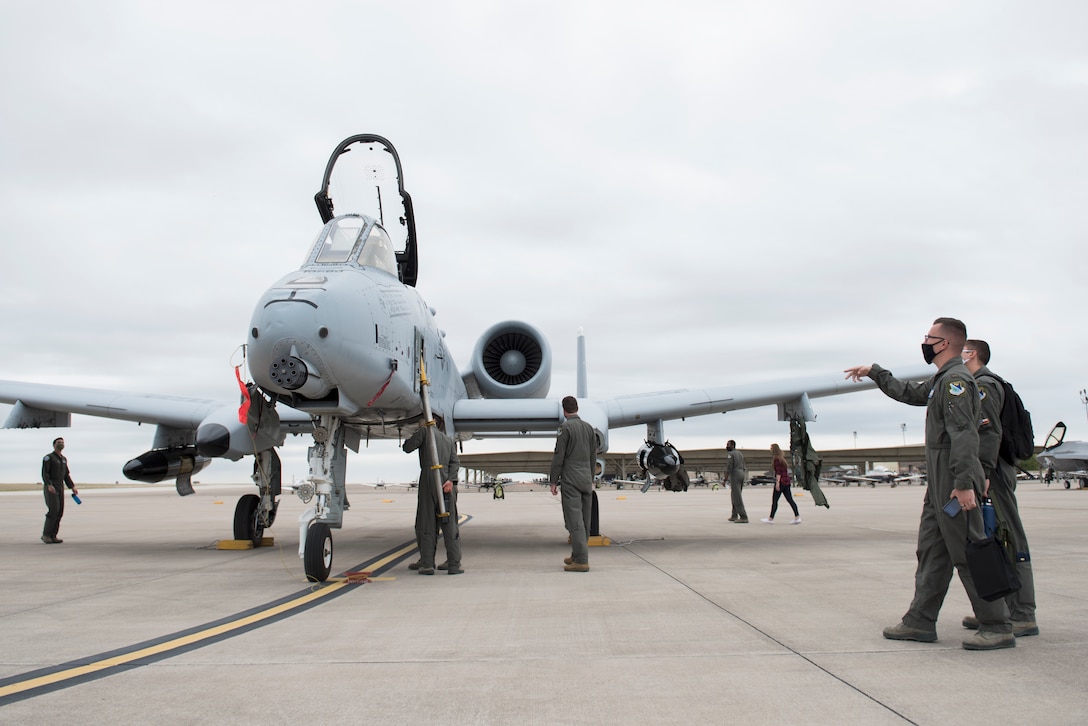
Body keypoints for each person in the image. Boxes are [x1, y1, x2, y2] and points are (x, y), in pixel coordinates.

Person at [845, 317, 1015, 650]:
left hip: (954, 479)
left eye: (929, 337)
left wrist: (966, 481)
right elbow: (910, 393)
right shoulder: (941, 379)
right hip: (940, 482)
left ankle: (996, 624)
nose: (925, 341)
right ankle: (920, 620)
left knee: (970, 549)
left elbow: (965, 433)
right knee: (933, 551)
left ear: (945, 343)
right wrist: (875, 371)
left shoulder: (957, 382)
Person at [961, 339, 1038, 636]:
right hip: (988, 469)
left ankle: (1022, 613)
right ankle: (1003, 608)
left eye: (963, 351)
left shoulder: (985, 385)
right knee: (993, 536)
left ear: (974, 354)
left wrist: (985, 471)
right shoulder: (977, 383)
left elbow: (988, 432)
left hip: (992, 470)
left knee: (1009, 536)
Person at [403, 415, 463, 575]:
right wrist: (451, 480)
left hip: (429, 478)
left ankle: (427, 563)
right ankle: (454, 563)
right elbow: (455, 462)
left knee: (426, 522)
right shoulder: (448, 440)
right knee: (449, 524)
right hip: (447, 482)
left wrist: (417, 432)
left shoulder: (424, 433)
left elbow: (407, 447)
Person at [550, 396, 596, 572]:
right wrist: (591, 477)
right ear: (577, 408)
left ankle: (582, 560)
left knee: (574, 520)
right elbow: (593, 455)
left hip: (571, 478)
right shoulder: (589, 428)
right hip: (586, 478)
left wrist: (554, 480)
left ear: (564, 410)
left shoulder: (565, 428)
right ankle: (576, 555)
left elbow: (559, 456)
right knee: (585, 519)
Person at [41, 437, 78, 544]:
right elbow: (45, 473)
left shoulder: (63, 459)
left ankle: (53, 536)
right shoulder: (48, 458)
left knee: (60, 511)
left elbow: (66, 475)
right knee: (53, 510)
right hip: (51, 487)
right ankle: (46, 535)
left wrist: (72, 486)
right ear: (54, 445)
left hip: (60, 487)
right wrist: (49, 485)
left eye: (62, 442)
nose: (61, 444)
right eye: (59, 442)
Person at [761, 443, 801, 524]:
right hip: (787, 482)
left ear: (774, 449)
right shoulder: (782, 458)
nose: (770, 449)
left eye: (771, 448)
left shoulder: (776, 459)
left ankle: (770, 519)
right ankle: (797, 517)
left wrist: (777, 483)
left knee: (775, 501)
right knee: (790, 500)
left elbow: (778, 472)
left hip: (781, 482)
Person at [724, 440, 748, 523]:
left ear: (733, 445)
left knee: (737, 496)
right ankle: (734, 515)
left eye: (728, 445)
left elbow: (729, 467)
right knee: (735, 494)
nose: (726, 446)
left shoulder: (731, 454)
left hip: (735, 474)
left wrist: (725, 479)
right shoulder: (740, 453)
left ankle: (743, 516)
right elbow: (744, 465)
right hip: (741, 473)